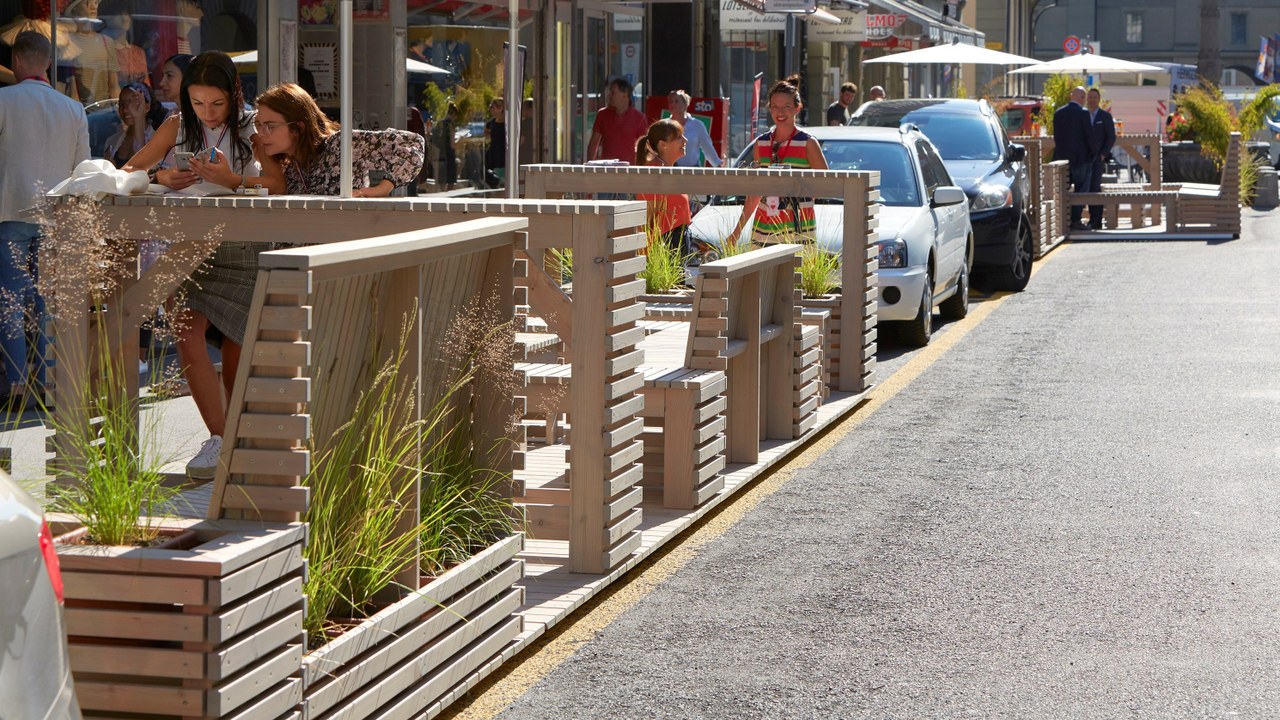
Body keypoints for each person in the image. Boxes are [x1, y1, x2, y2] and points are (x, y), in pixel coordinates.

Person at [122, 51, 286, 478]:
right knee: (185, 333)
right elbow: (128, 169)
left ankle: (237, 442)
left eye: (216, 103)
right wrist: (161, 177)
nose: (207, 113)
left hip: (243, 249)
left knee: (236, 357)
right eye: (197, 103)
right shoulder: (177, 126)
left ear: (235, 95)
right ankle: (219, 439)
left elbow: (277, 184)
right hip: (187, 248)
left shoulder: (253, 126)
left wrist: (231, 180)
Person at [0, 31, 90, 409]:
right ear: (48, 62)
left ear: (17, 62)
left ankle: (18, 383)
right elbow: (83, 169)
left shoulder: (3, 100)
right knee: (46, 301)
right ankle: (49, 379)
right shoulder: (73, 109)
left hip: (10, 208)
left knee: (10, 299)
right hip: (56, 215)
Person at [253, 82, 424, 197]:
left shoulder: (339, 145)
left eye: (270, 125)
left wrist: (382, 188)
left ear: (299, 127)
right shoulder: (288, 166)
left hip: (340, 247)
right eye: (258, 125)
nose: (261, 133)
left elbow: (413, 144)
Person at [727, 75, 829, 246]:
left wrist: (796, 196)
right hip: (764, 227)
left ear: (798, 108)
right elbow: (754, 193)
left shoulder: (808, 143)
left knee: (799, 273)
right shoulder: (761, 143)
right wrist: (736, 233)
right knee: (760, 273)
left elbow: (825, 185)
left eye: (786, 106)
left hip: (798, 228)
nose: (780, 112)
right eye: (775, 107)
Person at [634, 119, 691, 254]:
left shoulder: (667, 169)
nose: (685, 140)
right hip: (663, 248)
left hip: (675, 243)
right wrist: (644, 258)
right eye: (678, 137)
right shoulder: (655, 174)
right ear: (663, 145)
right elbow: (646, 222)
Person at [1053, 85, 1097, 232]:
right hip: (1080, 159)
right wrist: (1094, 154)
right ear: (1083, 98)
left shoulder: (1058, 113)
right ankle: (1076, 221)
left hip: (1061, 159)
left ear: (1072, 96)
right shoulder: (1083, 113)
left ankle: (1059, 220)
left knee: (1061, 190)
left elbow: (1057, 137)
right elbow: (1089, 136)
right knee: (1081, 190)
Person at [102, 81, 166, 167]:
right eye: (122, 104)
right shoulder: (112, 142)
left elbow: (149, 170)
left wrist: (139, 118)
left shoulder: (160, 140)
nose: (125, 109)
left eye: (132, 102)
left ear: (147, 106)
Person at [586, 77, 648, 163]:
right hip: (606, 169)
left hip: (629, 170)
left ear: (625, 94)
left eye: (613, 92)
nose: (609, 96)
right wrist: (590, 166)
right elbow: (594, 143)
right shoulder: (602, 114)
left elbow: (644, 148)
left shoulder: (640, 118)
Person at [1085, 87, 1117, 230]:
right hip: (1083, 159)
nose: (1092, 100)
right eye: (1089, 97)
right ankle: (1082, 219)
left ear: (1099, 99)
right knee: (1083, 188)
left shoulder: (1105, 116)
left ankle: (1096, 219)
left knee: (1095, 188)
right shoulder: (1083, 115)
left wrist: (1104, 154)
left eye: (1094, 97)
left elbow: (1111, 136)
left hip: (1098, 158)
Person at [668, 89, 721, 168]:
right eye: (671, 101)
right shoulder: (665, 125)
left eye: (676, 101)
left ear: (685, 104)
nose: (673, 104)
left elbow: (708, 148)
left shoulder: (697, 125)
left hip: (693, 171)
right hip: (671, 172)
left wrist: (718, 166)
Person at [484, 97, 506, 188]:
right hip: (493, 155)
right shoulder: (490, 123)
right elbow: (487, 137)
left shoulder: (508, 122)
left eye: (492, 107)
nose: (490, 109)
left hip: (503, 154)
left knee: (503, 180)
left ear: (500, 108)